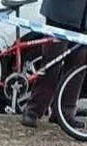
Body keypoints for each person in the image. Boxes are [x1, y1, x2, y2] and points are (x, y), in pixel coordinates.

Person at [22, 0, 87, 128]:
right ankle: (34, 109)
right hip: (60, 13)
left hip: (84, 18)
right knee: (51, 63)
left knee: (77, 68)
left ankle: (64, 113)